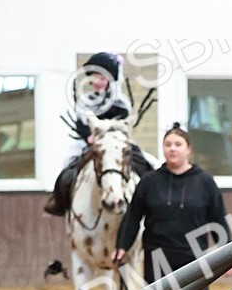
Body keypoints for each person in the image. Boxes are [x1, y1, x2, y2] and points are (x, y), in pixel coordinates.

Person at [111, 123, 231, 290]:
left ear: (188, 149)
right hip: (158, 257)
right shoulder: (150, 182)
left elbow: (219, 219)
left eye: (178, 144)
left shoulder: (205, 182)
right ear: (163, 149)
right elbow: (133, 218)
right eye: (168, 144)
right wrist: (122, 245)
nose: (172, 149)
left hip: (197, 259)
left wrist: (230, 252)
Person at [44, 52, 152, 216]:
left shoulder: (121, 102)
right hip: (90, 141)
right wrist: (89, 136)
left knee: (146, 160)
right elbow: (81, 124)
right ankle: (60, 200)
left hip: (116, 141)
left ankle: (151, 199)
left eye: (102, 78)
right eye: (94, 77)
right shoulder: (85, 101)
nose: (97, 82)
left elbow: (123, 124)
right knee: (68, 161)